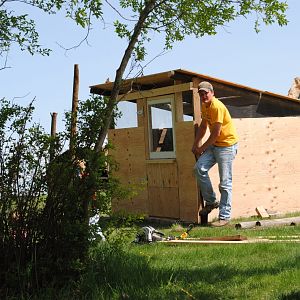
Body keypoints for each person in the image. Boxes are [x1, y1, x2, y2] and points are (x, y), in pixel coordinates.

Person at [192, 81, 238, 227]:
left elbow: (216, 133)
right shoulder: (205, 106)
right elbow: (204, 126)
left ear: (212, 93)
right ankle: (211, 202)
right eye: (201, 94)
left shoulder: (217, 106)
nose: (203, 96)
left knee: (225, 183)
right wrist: (195, 144)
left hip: (226, 146)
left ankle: (224, 217)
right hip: (215, 145)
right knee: (199, 168)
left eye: (206, 93)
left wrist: (202, 148)